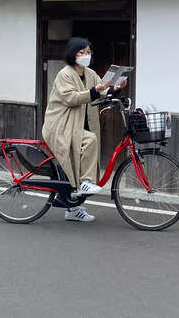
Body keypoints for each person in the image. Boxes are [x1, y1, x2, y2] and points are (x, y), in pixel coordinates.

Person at [42, 37, 126, 222]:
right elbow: (71, 98)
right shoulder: (64, 74)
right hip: (61, 124)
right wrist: (95, 90)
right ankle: (86, 183)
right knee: (90, 141)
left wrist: (117, 89)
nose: (86, 55)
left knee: (84, 151)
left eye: (88, 52)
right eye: (81, 52)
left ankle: (73, 208)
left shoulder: (90, 73)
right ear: (72, 54)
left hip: (80, 123)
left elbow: (102, 90)